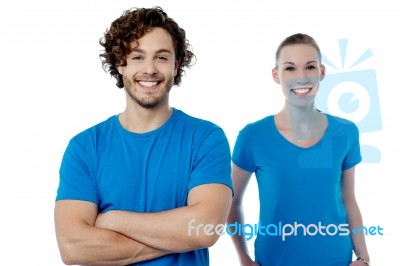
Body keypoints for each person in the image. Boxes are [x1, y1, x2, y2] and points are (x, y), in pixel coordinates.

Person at [54, 7, 233, 266]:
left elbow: (205, 228)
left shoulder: (205, 139)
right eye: (137, 57)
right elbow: (73, 248)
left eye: (161, 57)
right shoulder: (84, 148)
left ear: (176, 64)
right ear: (120, 63)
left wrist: (113, 220)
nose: (150, 69)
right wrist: (177, 237)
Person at [227, 33, 370, 266]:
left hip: (336, 259)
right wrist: (244, 258)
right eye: (290, 68)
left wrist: (363, 257)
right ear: (277, 75)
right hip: (274, 260)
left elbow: (348, 199)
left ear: (322, 72)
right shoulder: (252, 136)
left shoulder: (345, 133)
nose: (301, 77)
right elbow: (231, 201)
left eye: (310, 67)